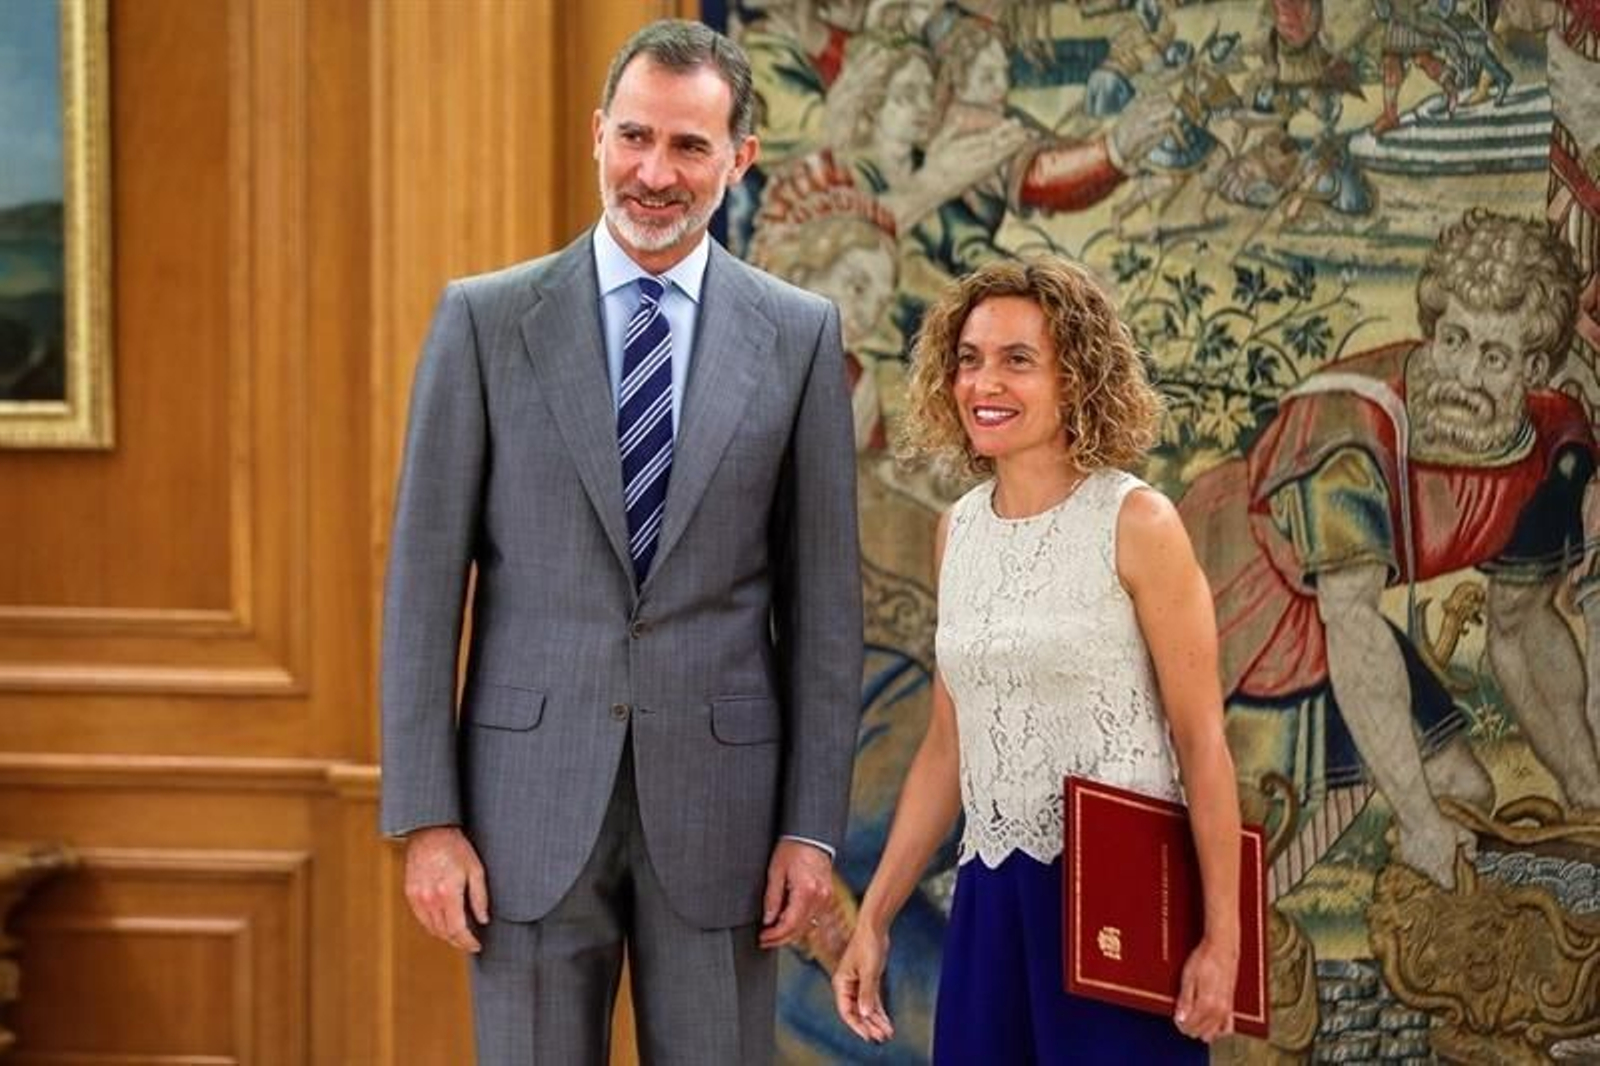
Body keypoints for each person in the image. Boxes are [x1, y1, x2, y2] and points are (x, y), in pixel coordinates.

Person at [378, 19, 864, 1065]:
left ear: (740, 158)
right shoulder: (484, 322)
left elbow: (825, 609)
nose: (654, 173)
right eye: (636, 137)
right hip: (521, 812)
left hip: (727, 820)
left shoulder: (798, 335)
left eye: (689, 146)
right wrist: (427, 819)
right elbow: (422, 590)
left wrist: (809, 828)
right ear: (599, 134)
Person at [831, 257, 1243, 1060]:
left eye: (1018, 360)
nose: (984, 383)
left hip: (1118, 899)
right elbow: (947, 748)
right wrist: (872, 919)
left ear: (1077, 378)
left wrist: (1221, 940)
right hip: (990, 896)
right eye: (969, 359)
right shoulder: (957, 531)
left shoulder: (1139, 523)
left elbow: (1202, 743)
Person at [1179, 209, 1599, 891]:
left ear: (1533, 369)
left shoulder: (1549, 445)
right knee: (1243, 847)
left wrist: (1587, 791)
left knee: (1466, 791)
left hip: (1338, 608)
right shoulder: (1350, 428)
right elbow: (1349, 624)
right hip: (1245, 598)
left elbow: (1522, 629)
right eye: (1453, 339)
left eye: (1493, 357)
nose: (1464, 374)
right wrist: (1419, 822)